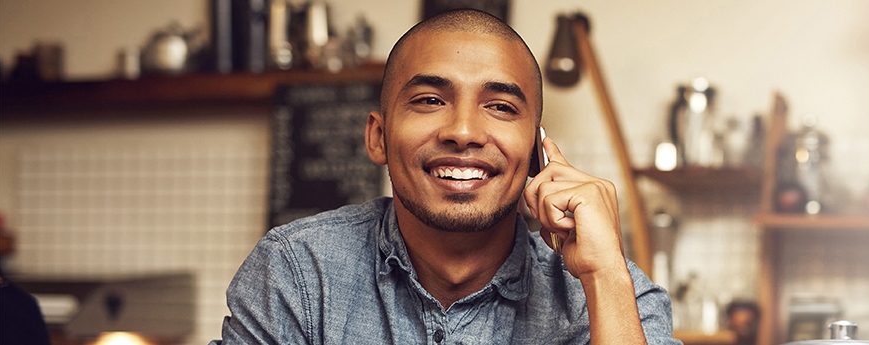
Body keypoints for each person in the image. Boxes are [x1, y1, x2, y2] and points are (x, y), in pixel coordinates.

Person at [215, 9, 679, 345]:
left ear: (538, 151)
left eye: (500, 107)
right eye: (429, 100)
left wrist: (604, 276)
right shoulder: (297, 274)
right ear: (378, 137)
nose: (463, 132)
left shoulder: (616, 296)